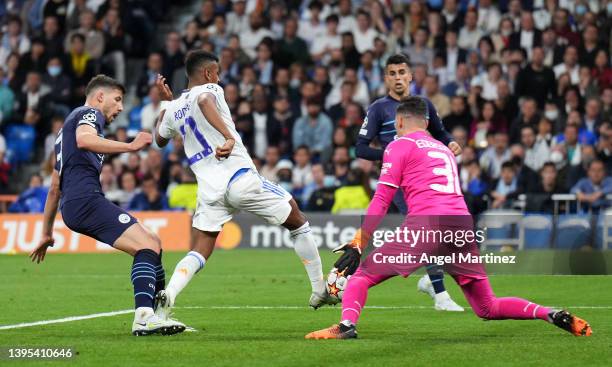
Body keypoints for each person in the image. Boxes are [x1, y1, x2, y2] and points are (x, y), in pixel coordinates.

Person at [306, 97, 592, 339]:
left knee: (362, 274)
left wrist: (360, 240)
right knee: (487, 307)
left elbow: (381, 198)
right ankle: (548, 313)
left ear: (400, 123)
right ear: (427, 123)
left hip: (427, 225)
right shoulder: (443, 150)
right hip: (461, 225)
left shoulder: (398, 146)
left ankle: (346, 326)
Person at [153, 51, 335, 322]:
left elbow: (159, 139)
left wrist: (166, 105)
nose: (219, 77)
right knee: (296, 218)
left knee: (200, 248)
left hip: (209, 190)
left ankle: (168, 296)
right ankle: (319, 288)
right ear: (208, 74)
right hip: (239, 177)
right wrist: (228, 137)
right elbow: (204, 99)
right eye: (217, 72)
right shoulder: (210, 89)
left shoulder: (173, 109)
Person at [28, 75, 185, 336]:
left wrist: (46, 233)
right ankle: (145, 317)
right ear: (101, 96)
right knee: (146, 245)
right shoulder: (89, 113)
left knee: (152, 242)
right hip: (85, 200)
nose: (121, 107)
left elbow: (55, 186)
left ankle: (159, 316)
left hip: (77, 203)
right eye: (118, 99)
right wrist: (130, 146)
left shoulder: (64, 132)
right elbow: (85, 140)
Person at [354, 53, 463, 311]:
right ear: (386, 78)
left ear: (411, 75)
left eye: (402, 72)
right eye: (392, 74)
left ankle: (430, 279)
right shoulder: (378, 108)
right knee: (427, 232)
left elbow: (440, 131)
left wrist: (450, 142)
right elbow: (360, 148)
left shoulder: (423, 105)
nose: (398, 78)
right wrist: (392, 154)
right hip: (400, 181)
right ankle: (440, 295)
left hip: (428, 180)